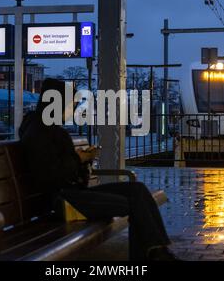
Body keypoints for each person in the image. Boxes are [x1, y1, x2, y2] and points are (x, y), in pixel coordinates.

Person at [19, 78, 178, 261]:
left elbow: (62, 169)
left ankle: (157, 251)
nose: (73, 111)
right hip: (62, 201)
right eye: (71, 105)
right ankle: (153, 256)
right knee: (136, 204)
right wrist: (78, 158)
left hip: (72, 194)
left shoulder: (48, 129)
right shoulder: (39, 133)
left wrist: (83, 160)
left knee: (138, 190)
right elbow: (50, 177)